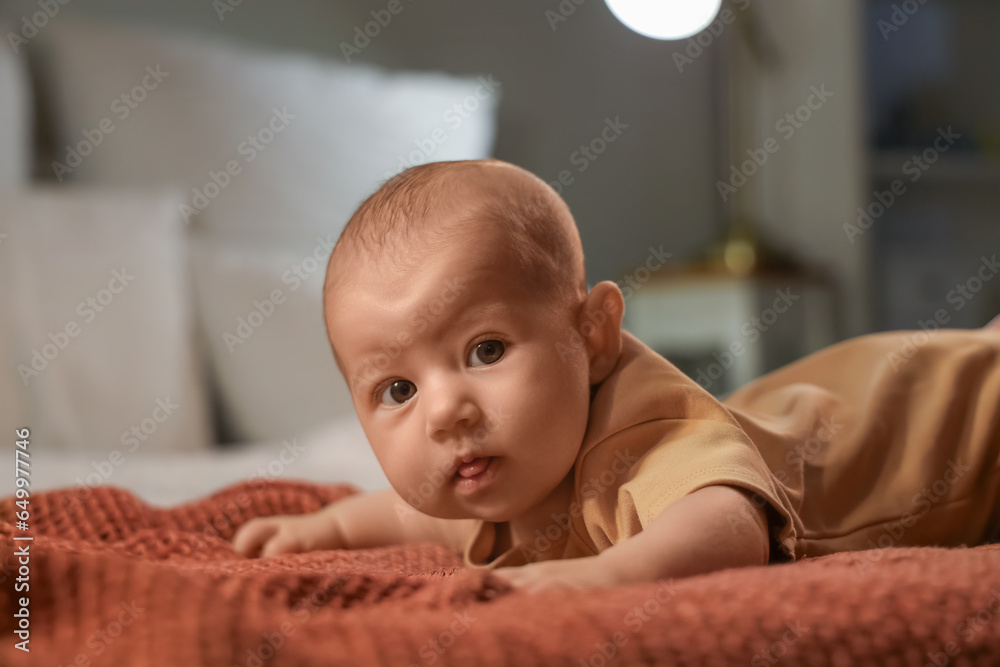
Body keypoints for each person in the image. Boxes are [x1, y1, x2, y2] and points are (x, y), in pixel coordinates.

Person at [233, 159, 1000, 592]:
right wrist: (323, 528)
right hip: (818, 404)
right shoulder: (502, 469)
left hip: (956, 416)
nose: (446, 412)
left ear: (594, 335)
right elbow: (416, 518)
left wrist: (589, 580)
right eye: (397, 390)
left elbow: (727, 528)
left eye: (486, 349)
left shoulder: (644, 433)